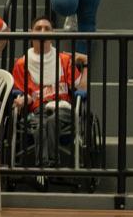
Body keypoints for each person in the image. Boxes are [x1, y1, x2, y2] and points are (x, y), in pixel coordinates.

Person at [11, 17, 88, 165]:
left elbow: (82, 89)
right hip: (38, 110)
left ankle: (47, 165)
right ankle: (47, 165)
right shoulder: (21, 64)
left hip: (63, 108)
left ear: (53, 34)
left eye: (47, 28)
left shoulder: (64, 60)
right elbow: (24, 94)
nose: (42, 31)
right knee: (41, 124)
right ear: (30, 33)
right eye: (38, 28)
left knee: (52, 121)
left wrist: (86, 64)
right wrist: (22, 100)